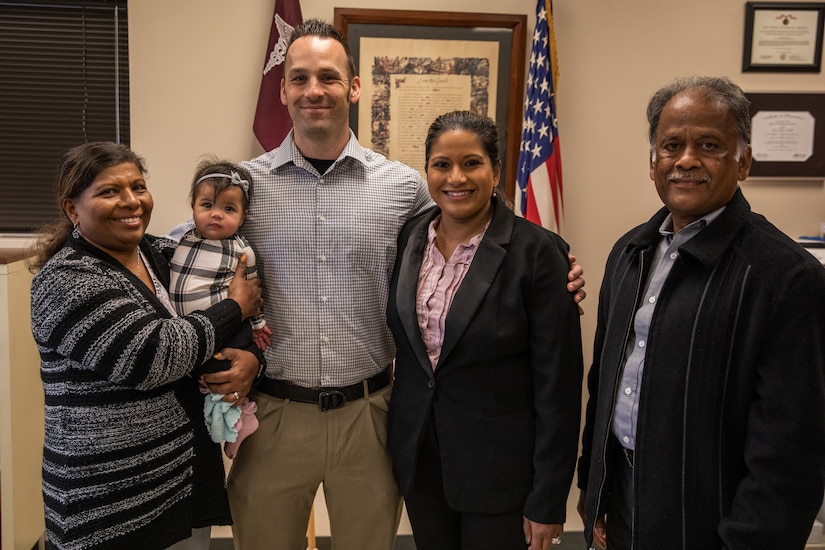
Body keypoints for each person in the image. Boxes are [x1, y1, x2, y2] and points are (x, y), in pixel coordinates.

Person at [224, 19, 586, 550]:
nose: (313, 91)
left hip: (371, 415)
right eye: (299, 78)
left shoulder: (403, 186)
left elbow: (474, 225)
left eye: (328, 77)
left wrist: (556, 267)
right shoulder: (243, 187)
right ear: (282, 90)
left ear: (354, 87)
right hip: (275, 413)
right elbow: (196, 263)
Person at [576, 76, 825, 550]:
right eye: (672, 145)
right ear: (653, 164)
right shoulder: (629, 254)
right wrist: (596, 490)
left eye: (708, 144)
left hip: (714, 522)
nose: (686, 159)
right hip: (626, 498)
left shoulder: (785, 277)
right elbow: (604, 383)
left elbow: (792, 449)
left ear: (743, 161)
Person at [28, 142, 264, 550]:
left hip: (179, 482)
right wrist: (235, 309)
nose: (130, 201)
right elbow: (153, 356)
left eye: (138, 186)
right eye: (109, 191)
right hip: (110, 502)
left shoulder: (161, 253)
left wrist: (252, 357)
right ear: (72, 209)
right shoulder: (64, 280)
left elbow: (230, 281)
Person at [386, 110, 583, 550]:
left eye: (471, 163)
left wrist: (549, 498)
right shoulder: (409, 238)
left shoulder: (538, 253)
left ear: (496, 170)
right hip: (421, 460)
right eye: (442, 164)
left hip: (501, 473)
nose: (456, 177)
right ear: (428, 171)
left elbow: (560, 387)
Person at [169, 158, 271, 459]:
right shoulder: (181, 238)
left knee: (219, 375)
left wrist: (258, 326)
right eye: (207, 205)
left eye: (228, 209)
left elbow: (253, 293)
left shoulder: (241, 250)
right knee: (200, 379)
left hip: (227, 329)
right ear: (193, 206)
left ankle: (242, 419)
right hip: (192, 328)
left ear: (243, 216)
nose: (216, 215)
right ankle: (229, 421)